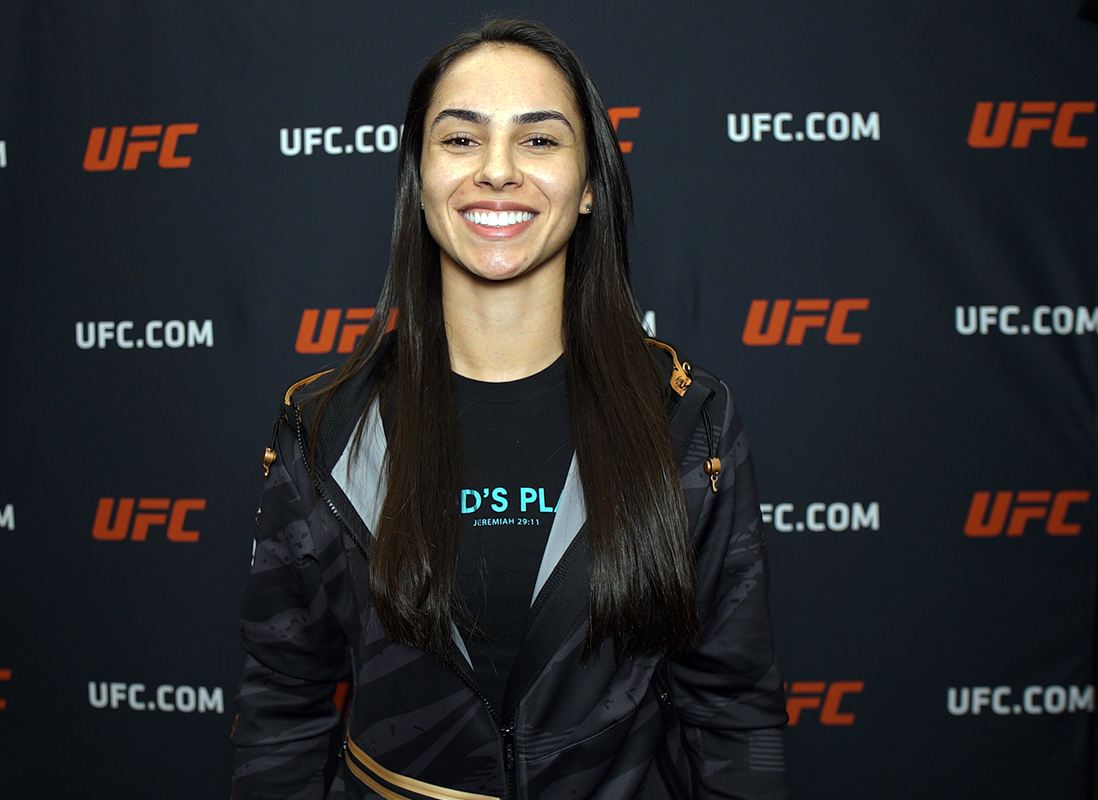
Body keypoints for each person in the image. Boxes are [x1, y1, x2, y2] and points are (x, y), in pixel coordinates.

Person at [232, 18, 789, 800]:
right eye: (461, 139)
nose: (497, 171)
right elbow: (282, 713)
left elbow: (733, 713)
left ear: (589, 185)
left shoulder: (685, 421)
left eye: (539, 140)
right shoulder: (324, 429)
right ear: (419, 179)